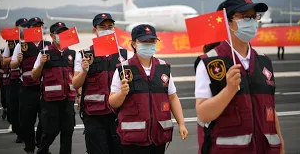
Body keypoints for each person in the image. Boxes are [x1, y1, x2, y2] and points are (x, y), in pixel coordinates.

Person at [194, 0, 284, 154]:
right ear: (228, 22)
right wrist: (229, 90)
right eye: (244, 17)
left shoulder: (264, 62)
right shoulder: (209, 62)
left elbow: (270, 109)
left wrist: (281, 144)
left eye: (254, 16)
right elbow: (203, 114)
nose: (251, 22)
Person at [109, 24, 188, 154]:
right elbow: (112, 102)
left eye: (152, 41)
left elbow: (172, 97)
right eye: (144, 41)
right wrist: (122, 93)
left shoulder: (163, 68)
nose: (149, 44)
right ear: (133, 44)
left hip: (159, 136)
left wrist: (181, 123)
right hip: (133, 138)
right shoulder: (123, 69)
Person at [72, 13, 127, 154]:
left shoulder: (125, 54)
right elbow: (75, 84)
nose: (106, 29)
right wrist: (84, 71)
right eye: (102, 27)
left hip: (118, 113)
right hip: (94, 114)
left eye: (110, 26)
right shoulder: (84, 54)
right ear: (94, 30)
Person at [31, 22, 77, 154]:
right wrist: (41, 64)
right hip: (50, 100)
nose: (61, 35)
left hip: (68, 99)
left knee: (68, 131)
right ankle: (42, 151)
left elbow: (75, 75)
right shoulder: (44, 53)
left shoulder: (71, 53)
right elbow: (34, 75)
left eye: (64, 32)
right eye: (59, 33)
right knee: (51, 131)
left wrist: (79, 96)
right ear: (52, 35)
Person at [10, 17, 51, 154]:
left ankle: (41, 144)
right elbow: (13, 65)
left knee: (45, 122)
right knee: (27, 122)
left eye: (40, 26)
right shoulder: (21, 45)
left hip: (43, 89)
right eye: (34, 26)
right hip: (27, 89)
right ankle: (29, 147)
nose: (38, 29)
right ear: (29, 29)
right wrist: (18, 60)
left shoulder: (47, 45)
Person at [2, 18, 28, 143]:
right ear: (16, 27)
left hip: (27, 80)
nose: (24, 28)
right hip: (14, 79)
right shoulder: (11, 42)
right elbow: (4, 61)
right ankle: (18, 131)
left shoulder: (30, 42)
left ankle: (25, 134)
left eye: (26, 26)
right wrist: (15, 58)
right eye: (21, 26)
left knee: (26, 109)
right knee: (14, 108)